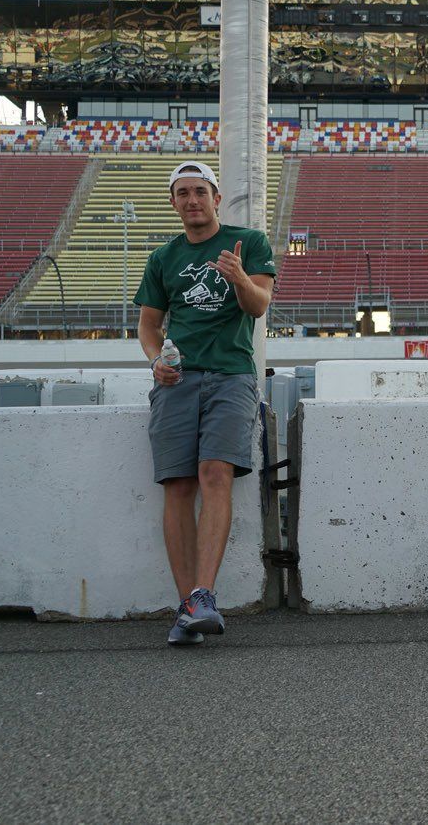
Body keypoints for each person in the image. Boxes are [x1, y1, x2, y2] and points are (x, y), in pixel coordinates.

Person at [134, 161, 275, 647]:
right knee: (176, 484)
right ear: (173, 203)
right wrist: (156, 362)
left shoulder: (247, 243)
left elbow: (258, 307)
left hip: (231, 375)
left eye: (200, 192)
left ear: (217, 198)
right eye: (182, 193)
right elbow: (149, 326)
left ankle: (203, 596)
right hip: (176, 380)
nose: (192, 200)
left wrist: (238, 277)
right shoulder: (162, 258)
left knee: (214, 473)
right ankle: (188, 606)